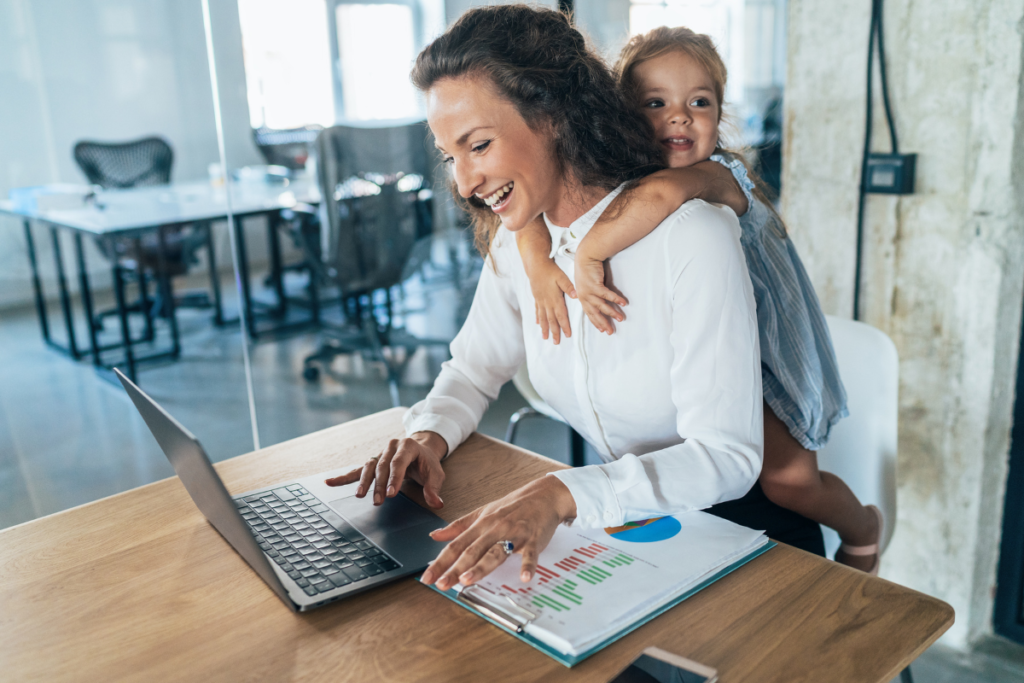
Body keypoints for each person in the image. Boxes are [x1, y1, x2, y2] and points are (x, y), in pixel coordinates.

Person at [326, 5, 824, 593]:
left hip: (755, 546)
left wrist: (560, 493)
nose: (462, 183)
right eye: (449, 157)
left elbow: (728, 457)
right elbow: (472, 369)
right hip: (631, 528)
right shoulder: (522, 242)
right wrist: (426, 436)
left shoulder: (692, 236)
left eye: (478, 146)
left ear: (554, 117)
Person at [515, 26, 883, 573]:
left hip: (768, 357)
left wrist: (588, 257)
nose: (680, 116)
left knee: (789, 481)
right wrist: (537, 263)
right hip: (706, 357)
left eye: (699, 102)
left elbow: (664, 195)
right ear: (621, 116)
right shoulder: (613, 180)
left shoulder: (717, 176)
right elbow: (529, 208)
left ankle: (862, 526)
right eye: (656, 102)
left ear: (719, 114)